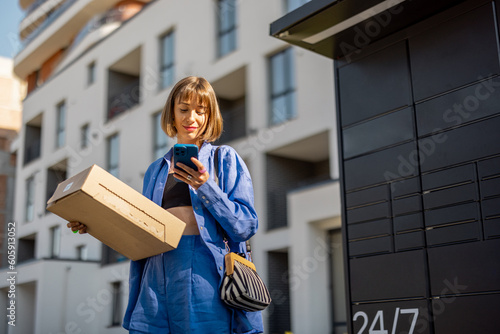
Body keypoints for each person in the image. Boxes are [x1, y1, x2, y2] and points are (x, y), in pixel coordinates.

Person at [67, 76, 263, 334]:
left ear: (210, 116)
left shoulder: (224, 158)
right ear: (172, 114)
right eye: (183, 109)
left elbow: (245, 226)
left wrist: (206, 186)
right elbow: (139, 228)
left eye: (200, 111)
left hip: (206, 273)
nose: (191, 118)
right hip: (155, 274)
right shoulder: (155, 170)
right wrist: (93, 222)